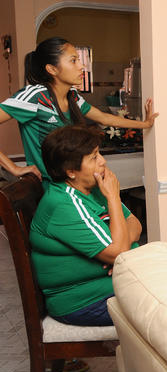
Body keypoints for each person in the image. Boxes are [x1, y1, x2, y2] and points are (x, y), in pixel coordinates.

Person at [0, 37, 159, 183]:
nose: (82, 66)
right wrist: (14, 168)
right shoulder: (35, 96)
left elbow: (104, 118)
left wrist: (145, 124)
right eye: (73, 60)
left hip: (75, 182)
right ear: (52, 69)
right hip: (52, 185)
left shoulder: (72, 96)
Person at [30, 125, 142, 325]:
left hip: (111, 284)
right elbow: (118, 251)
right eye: (94, 157)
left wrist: (121, 253)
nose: (103, 161)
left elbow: (135, 224)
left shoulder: (94, 187)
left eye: (99, 153)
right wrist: (114, 198)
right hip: (82, 302)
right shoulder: (64, 203)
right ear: (71, 172)